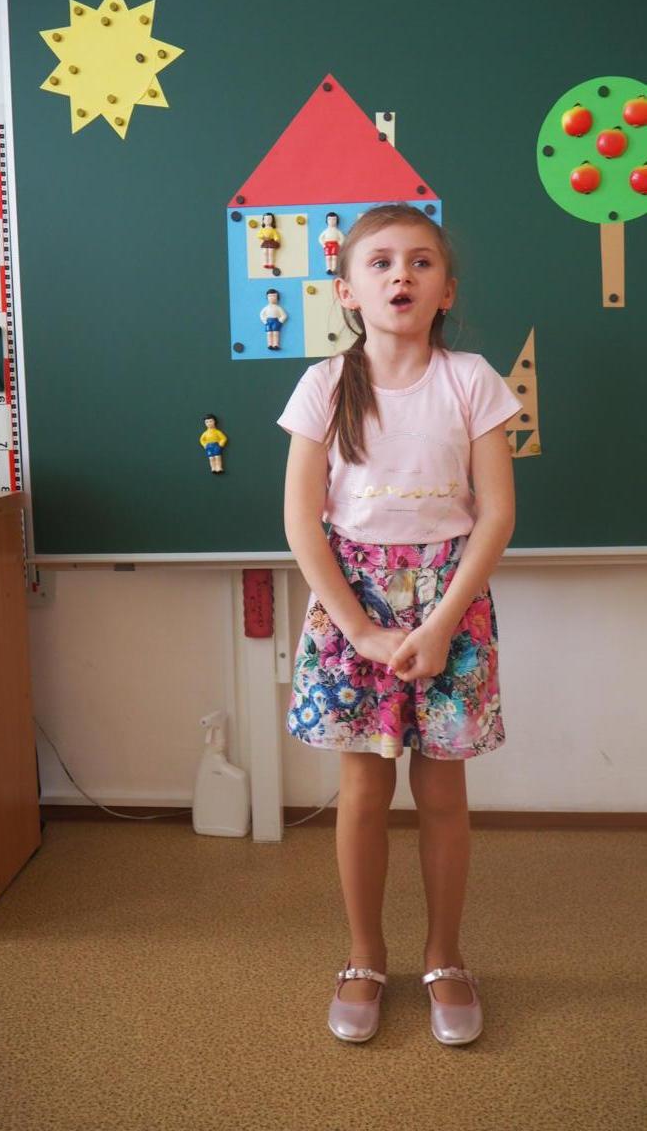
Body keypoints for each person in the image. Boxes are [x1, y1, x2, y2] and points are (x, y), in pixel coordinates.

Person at [276, 202, 523, 1046]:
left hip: (451, 601)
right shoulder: (323, 386)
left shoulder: (472, 380)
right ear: (347, 290)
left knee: (442, 793)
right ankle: (363, 958)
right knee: (362, 790)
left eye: (420, 262)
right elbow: (302, 522)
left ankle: (445, 958)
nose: (400, 276)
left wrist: (443, 623)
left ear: (445, 290)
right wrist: (361, 632)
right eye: (379, 263)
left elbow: (494, 516)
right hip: (355, 605)